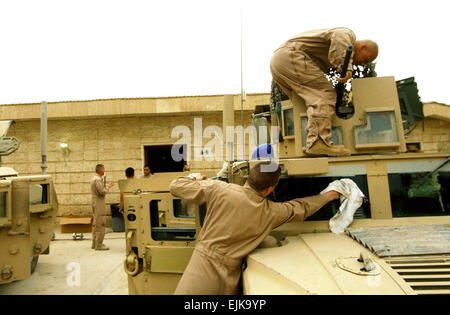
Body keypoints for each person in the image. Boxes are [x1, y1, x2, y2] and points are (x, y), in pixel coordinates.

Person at [169, 162, 340, 294]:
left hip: (200, 270)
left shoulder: (219, 189)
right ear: (270, 189)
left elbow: (176, 186)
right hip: (229, 277)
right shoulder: (271, 212)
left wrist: (194, 177)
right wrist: (328, 196)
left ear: (248, 177)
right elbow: (300, 207)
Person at [270, 27, 378, 157]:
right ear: (363, 47)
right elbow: (339, 37)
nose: (362, 65)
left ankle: (310, 144)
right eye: (366, 60)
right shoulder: (348, 34)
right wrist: (347, 68)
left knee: (306, 102)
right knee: (324, 94)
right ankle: (318, 142)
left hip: (280, 61)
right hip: (292, 56)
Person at [90, 164, 114, 250]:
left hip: (95, 202)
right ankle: (99, 245)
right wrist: (108, 186)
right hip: (99, 203)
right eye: (103, 168)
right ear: (101, 170)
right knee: (100, 223)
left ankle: (94, 243)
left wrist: (104, 182)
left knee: (96, 224)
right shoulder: (97, 179)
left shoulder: (95, 178)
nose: (104, 170)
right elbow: (102, 192)